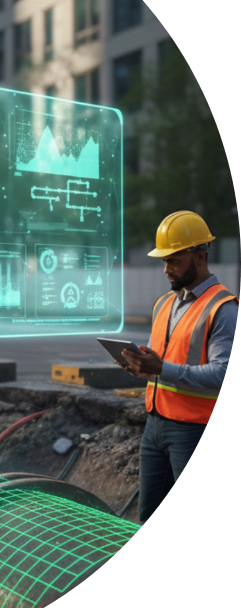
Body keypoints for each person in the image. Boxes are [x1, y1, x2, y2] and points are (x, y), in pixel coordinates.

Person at [119, 211, 237, 522]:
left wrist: (160, 369)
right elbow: (164, 358)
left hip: (193, 429)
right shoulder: (163, 304)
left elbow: (222, 373)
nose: (166, 269)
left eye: (174, 260)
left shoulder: (223, 308)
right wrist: (140, 364)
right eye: (164, 261)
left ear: (199, 257)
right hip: (155, 424)